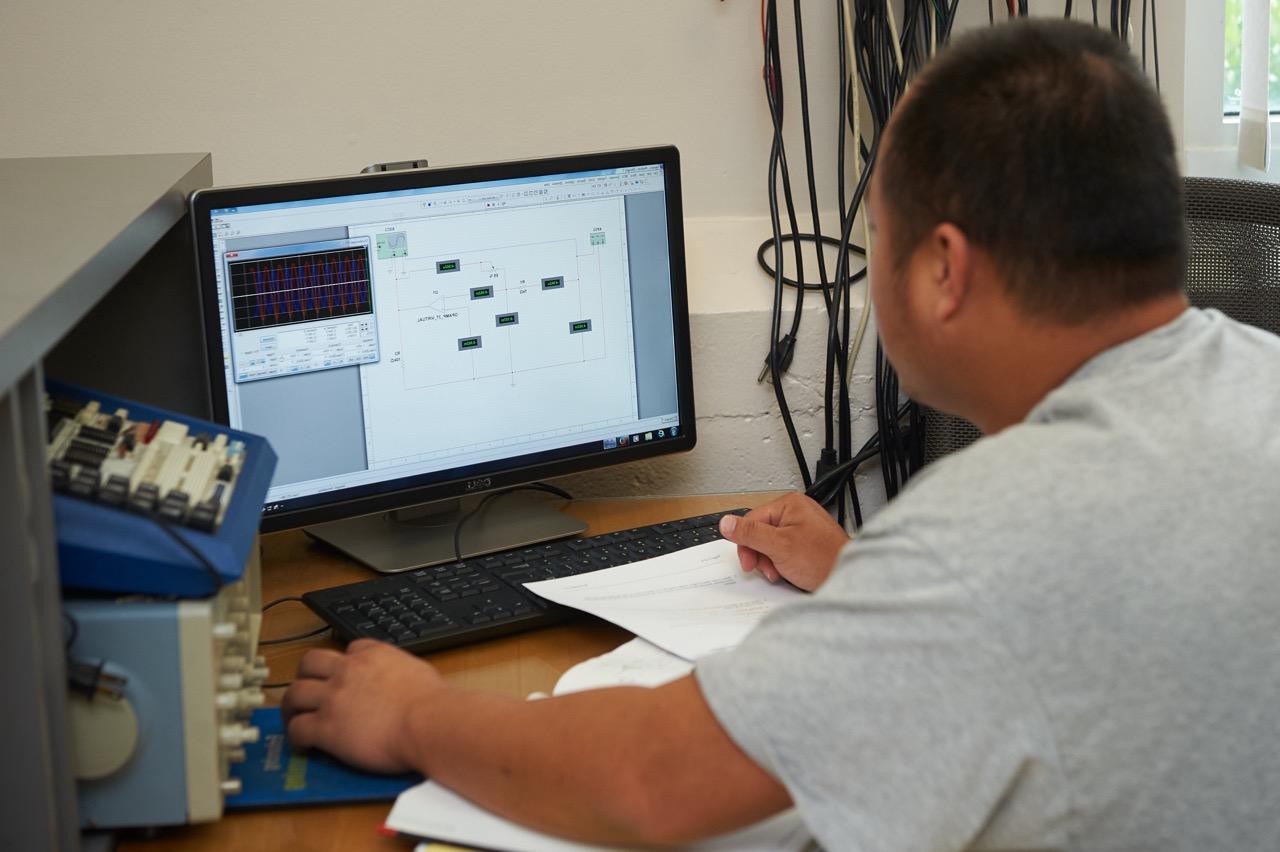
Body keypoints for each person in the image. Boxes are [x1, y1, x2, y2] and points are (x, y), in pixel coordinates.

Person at [282, 19, 1280, 850]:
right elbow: (1108, 613)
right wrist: (865, 579)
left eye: (875, 236)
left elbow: (649, 781)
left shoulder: (989, 538)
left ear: (943, 268)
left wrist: (412, 715)